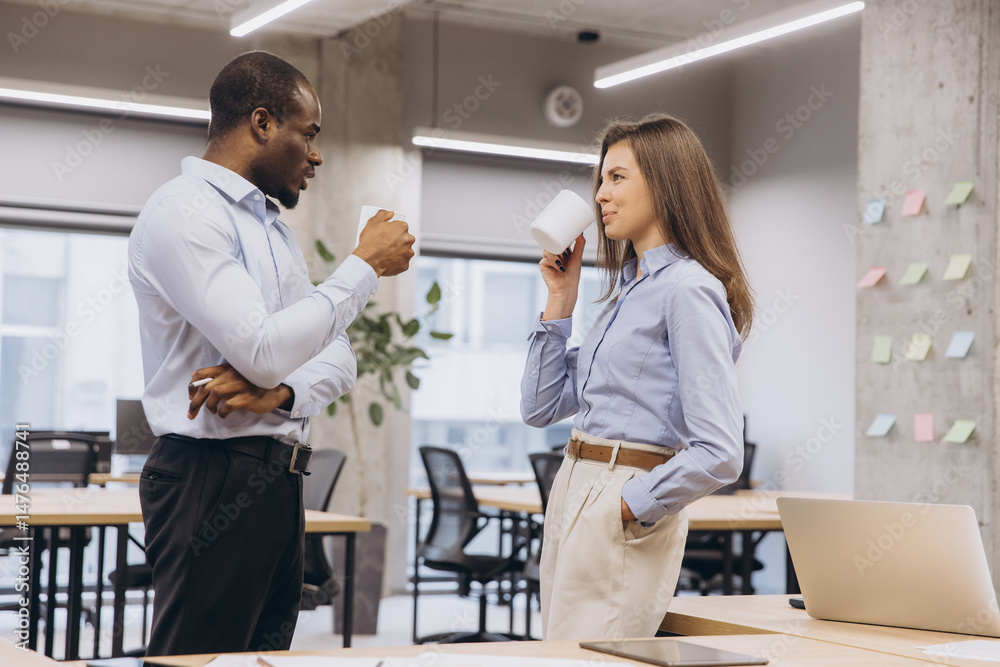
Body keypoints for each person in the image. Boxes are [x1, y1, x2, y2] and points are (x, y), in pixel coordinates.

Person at [128, 51, 414, 656]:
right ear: (262, 123)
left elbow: (337, 356)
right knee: (200, 657)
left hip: (277, 479)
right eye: (307, 135)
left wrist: (279, 392)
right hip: (210, 477)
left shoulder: (271, 227)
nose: (316, 155)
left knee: (263, 655)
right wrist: (362, 267)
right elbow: (262, 348)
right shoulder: (185, 211)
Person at [520, 114, 754, 640]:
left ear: (666, 182)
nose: (600, 194)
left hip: (620, 495)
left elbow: (719, 450)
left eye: (617, 178)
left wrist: (630, 505)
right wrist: (560, 301)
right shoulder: (628, 290)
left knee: (591, 659)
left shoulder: (688, 290)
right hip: (573, 481)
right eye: (601, 179)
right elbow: (539, 408)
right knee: (562, 655)